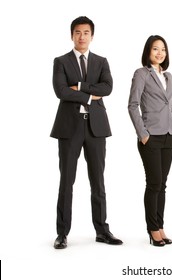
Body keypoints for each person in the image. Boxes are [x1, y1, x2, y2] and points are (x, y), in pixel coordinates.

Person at [50, 16, 122, 249]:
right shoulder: (61, 61)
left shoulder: (101, 61)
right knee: (66, 181)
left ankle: (102, 230)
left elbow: (108, 88)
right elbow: (61, 91)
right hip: (69, 127)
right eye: (78, 32)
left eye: (86, 32)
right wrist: (92, 95)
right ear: (72, 35)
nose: (82, 37)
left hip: (96, 127)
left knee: (98, 181)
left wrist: (80, 87)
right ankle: (62, 233)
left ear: (92, 35)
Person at [128, 35, 172, 247]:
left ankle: (160, 226)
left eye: (163, 49)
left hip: (169, 135)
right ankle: (152, 228)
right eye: (155, 49)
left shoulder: (168, 76)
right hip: (151, 136)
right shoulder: (141, 74)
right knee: (154, 182)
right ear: (148, 52)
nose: (160, 53)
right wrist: (143, 133)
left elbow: (171, 105)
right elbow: (132, 105)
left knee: (163, 185)